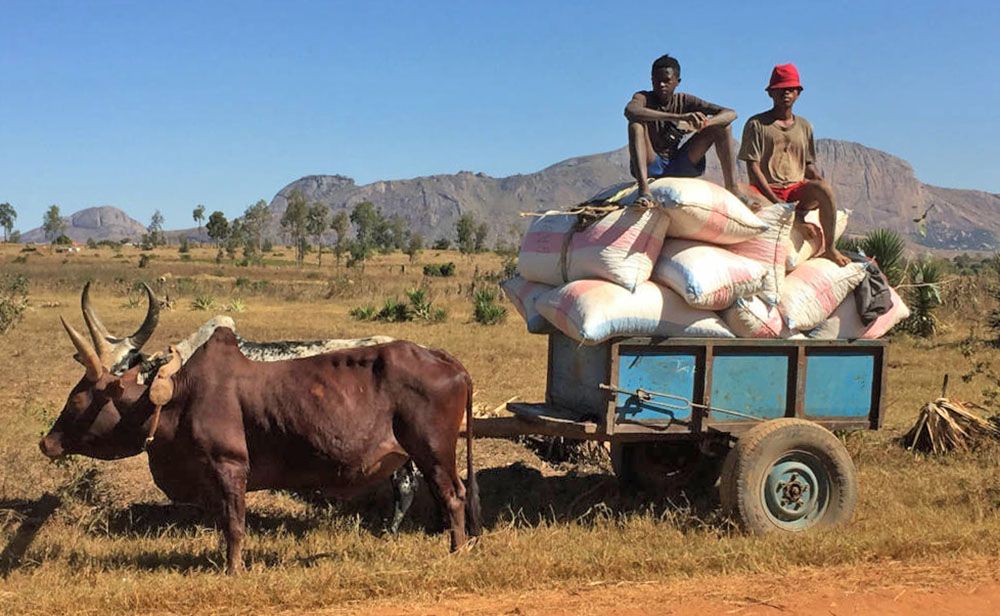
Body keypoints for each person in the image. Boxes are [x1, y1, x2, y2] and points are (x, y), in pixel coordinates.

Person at [739, 63, 850, 266]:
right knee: (739, 192)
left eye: (790, 89)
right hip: (765, 190)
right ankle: (793, 219)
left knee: (824, 189)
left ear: (798, 93)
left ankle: (830, 248)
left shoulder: (805, 126)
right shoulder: (756, 124)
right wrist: (778, 202)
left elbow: (806, 164)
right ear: (771, 93)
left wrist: (817, 181)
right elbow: (753, 168)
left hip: (795, 190)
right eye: (780, 90)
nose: (786, 93)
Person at [625, 54, 738, 206]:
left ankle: (732, 188)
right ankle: (644, 190)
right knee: (636, 125)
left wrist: (705, 123)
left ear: (677, 82)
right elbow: (631, 111)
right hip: (652, 163)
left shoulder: (686, 100)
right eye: (656, 81)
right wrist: (678, 117)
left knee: (724, 127)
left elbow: (731, 113)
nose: (661, 85)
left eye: (666, 81)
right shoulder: (643, 97)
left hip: (678, 163)